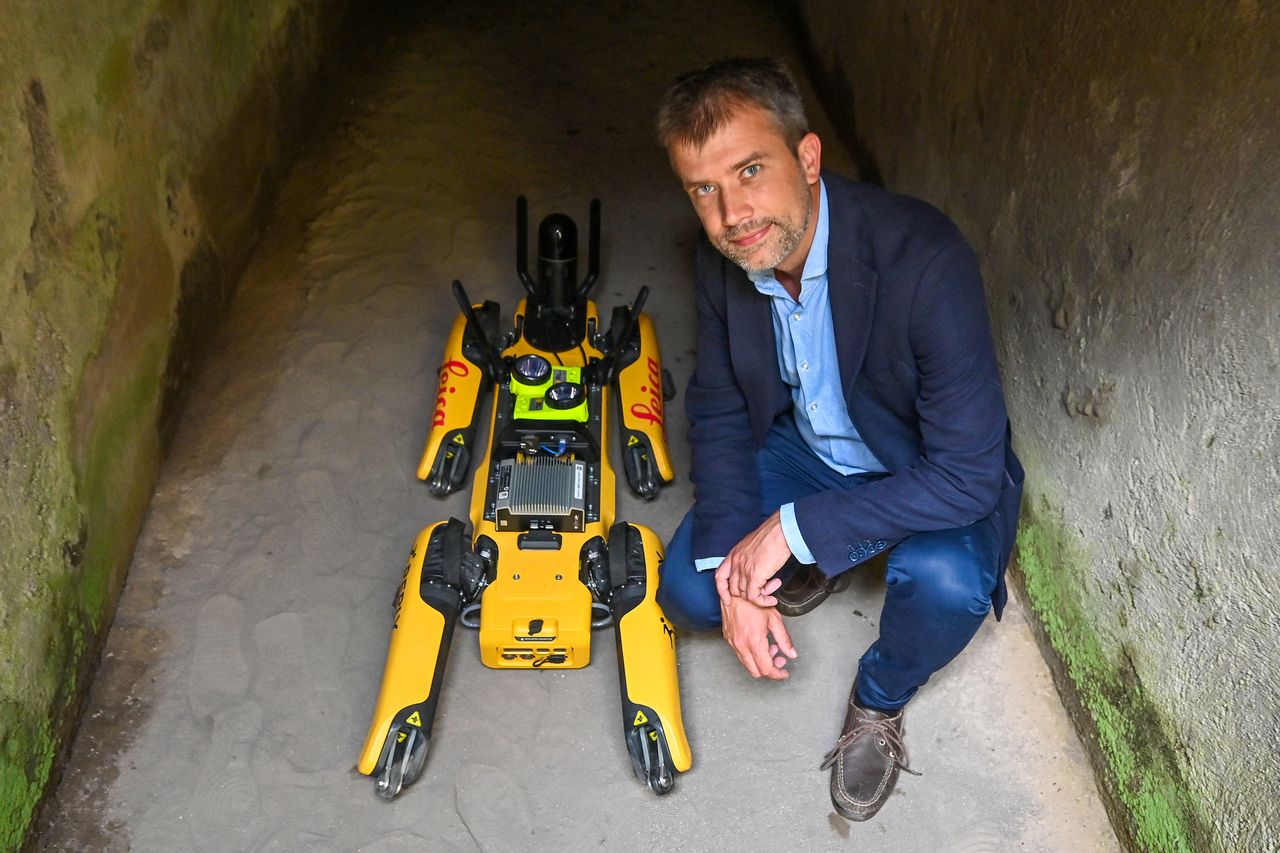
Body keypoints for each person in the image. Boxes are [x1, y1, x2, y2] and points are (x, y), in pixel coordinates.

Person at [653, 58, 1024, 821]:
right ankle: (826, 549)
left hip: (920, 464)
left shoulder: (924, 256)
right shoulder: (723, 260)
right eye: (704, 189)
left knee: (947, 584)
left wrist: (790, 529)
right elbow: (718, 406)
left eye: (750, 170)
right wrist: (735, 564)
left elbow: (967, 474)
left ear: (809, 158)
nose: (731, 213)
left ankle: (878, 699)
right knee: (693, 587)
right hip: (814, 449)